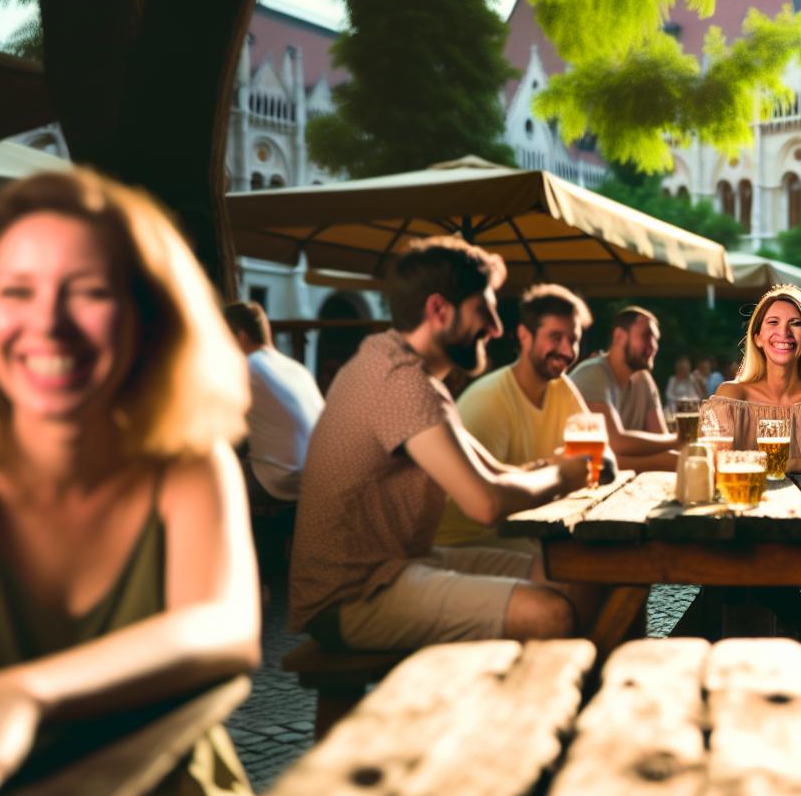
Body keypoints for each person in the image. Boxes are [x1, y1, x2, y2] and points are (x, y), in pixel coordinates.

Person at [0, 170, 259, 796]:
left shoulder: (186, 462)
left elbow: (226, 627)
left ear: (150, 315)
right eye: (18, 290)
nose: (48, 322)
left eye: (90, 292)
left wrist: (21, 693)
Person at [290, 237, 591, 652]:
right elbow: (483, 503)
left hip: (401, 564)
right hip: (352, 594)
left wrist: (555, 467)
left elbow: (495, 471)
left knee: (571, 575)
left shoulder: (407, 370)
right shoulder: (399, 379)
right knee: (550, 612)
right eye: (483, 310)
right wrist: (564, 474)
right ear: (438, 310)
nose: (496, 327)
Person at [434, 285, 594, 548]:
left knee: (634, 562)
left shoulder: (561, 387)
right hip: (469, 542)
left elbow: (597, 454)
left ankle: (676, 592)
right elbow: (488, 504)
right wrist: (560, 472)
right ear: (524, 336)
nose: (567, 350)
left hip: (527, 532)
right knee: (588, 569)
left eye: (573, 339)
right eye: (555, 337)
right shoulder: (489, 399)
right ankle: (673, 592)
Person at [704, 284, 801, 473]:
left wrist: (783, 464)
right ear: (757, 338)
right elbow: (712, 461)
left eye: (795, 323)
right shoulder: (732, 395)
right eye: (773, 322)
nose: (783, 332)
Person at [223, 300, 325, 502]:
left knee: (201, 473)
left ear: (241, 336)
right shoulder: (298, 369)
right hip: (318, 477)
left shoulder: (246, 366)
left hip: (279, 479)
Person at [570, 307, 676, 472]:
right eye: (646, 336)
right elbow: (614, 445)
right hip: (583, 484)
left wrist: (671, 449)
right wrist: (678, 441)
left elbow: (660, 442)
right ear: (619, 336)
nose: (654, 346)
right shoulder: (593, 373)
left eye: (656, 339)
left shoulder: (644, 380)